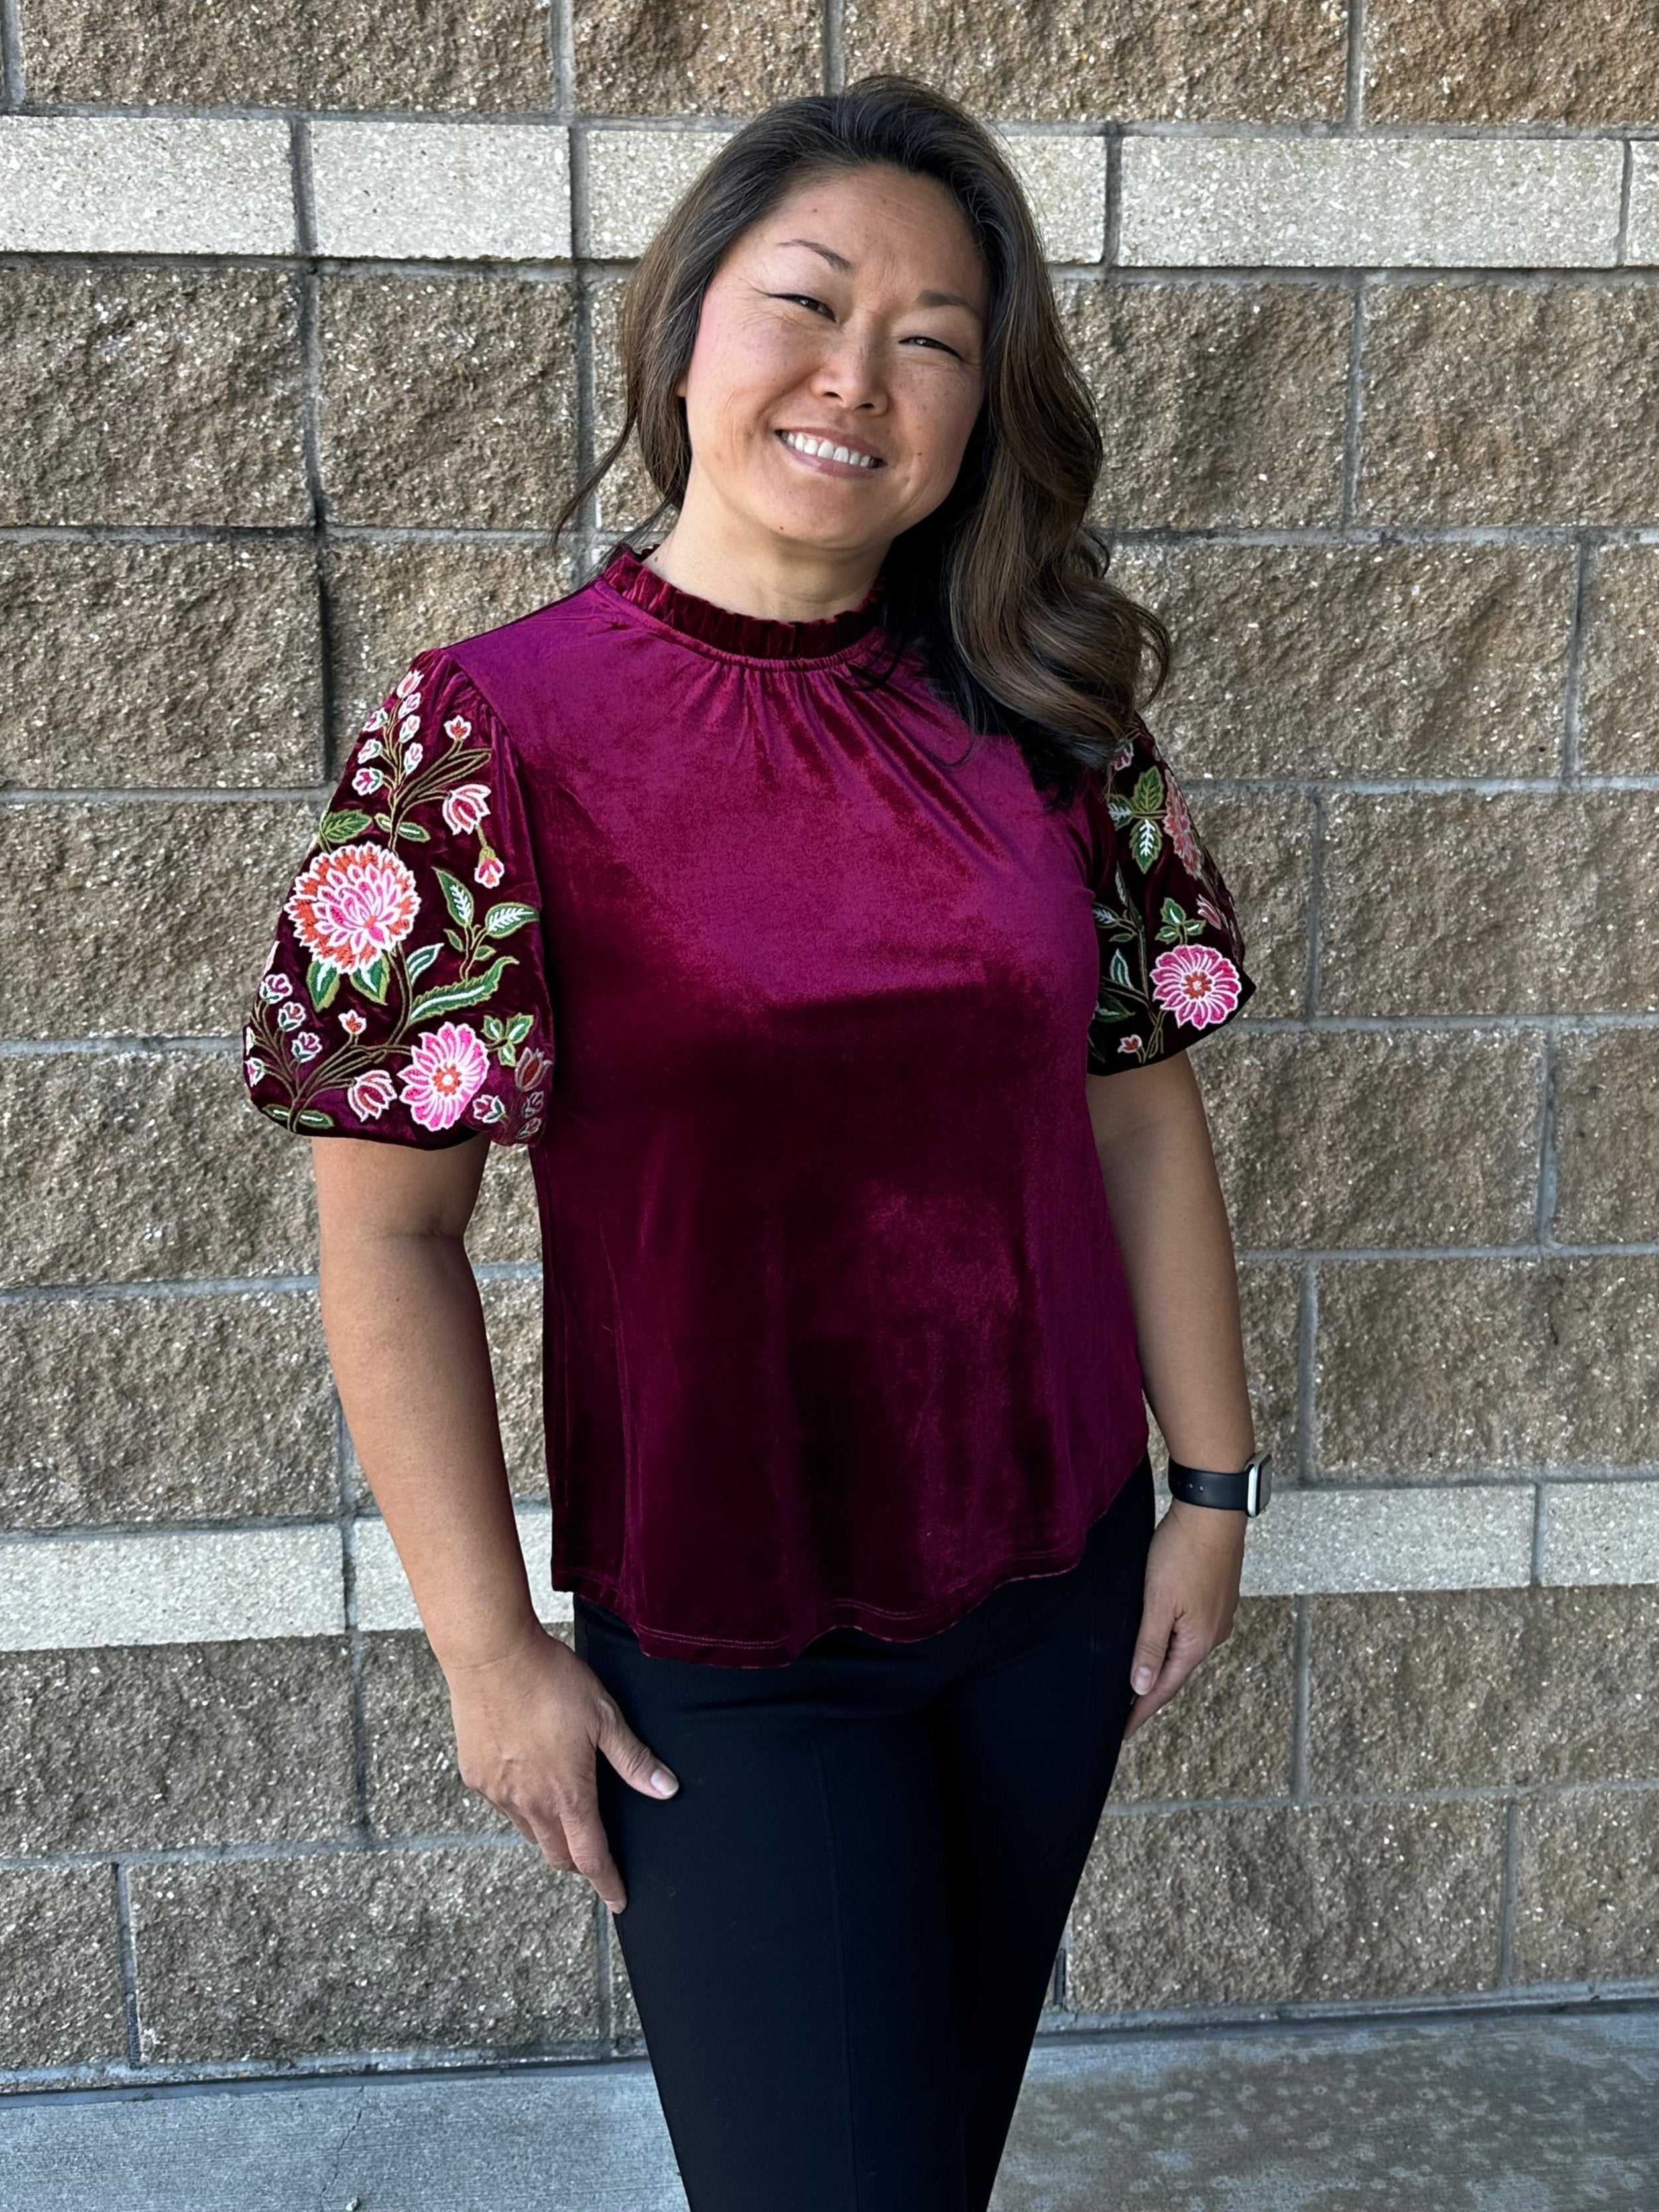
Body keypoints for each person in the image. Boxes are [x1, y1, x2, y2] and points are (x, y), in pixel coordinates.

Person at [243, 72, 1269, 2212]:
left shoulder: (1040, 710)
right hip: (729, 1647)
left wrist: (1211, 1484)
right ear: (690, 323)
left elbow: (1141, 1097)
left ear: (983, 410)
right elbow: (388, 1237)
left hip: (1057, 1591)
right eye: (808, 302)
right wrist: (486, 1652)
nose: (855, 377)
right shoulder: (485, 736)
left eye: (932, 340)